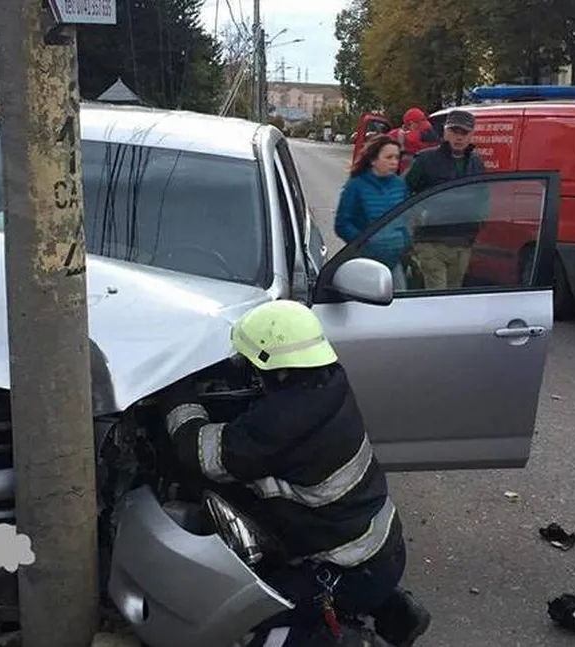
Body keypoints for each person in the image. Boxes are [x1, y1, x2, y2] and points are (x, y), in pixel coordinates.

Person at [157, 300, 431, 647]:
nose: (248, 368)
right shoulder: (330, 381)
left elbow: (201, 454)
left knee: (248, 624)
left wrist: (176, 397)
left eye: (253, 361)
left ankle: (349, 640)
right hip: (381, 546)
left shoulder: (282, 423)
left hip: (349, 572)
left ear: (278, 368)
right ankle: (396, 612)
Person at [402, 109, 487, 290]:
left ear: (472, 135)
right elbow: (403, 190)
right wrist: (414, 219)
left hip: (463, 241)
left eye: (464, 133)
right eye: (454, 131)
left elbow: (483, 196)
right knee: (437, 293)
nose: (459, 137)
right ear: (445, 132)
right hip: (431, 241)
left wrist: (479, 222)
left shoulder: (477, 163)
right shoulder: (425, 160)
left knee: (453, 295)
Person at [335, 135, 412, 290]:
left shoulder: (400, 185)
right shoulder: (356, 186)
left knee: (399, 302)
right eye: (389, 157)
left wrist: (406, 241)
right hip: (367, 262)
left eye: (397, 157)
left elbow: (405, 217)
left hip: (394, 260)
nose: (394, 162)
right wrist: (364, 243)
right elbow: (342, 224)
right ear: (373, 160)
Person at [387, 107, 439, 175]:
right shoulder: (431, 132)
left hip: (407, 176)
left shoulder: (400, 135)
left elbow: (382, 142)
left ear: (411, 123)